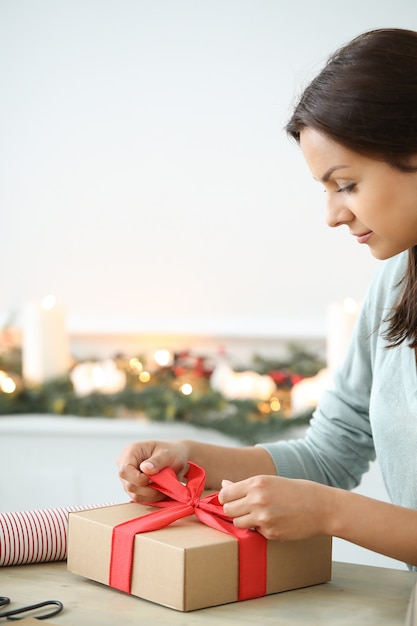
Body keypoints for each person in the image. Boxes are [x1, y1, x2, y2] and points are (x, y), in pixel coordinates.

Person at [117, 28, 417, 570]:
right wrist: (194, 459)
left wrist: (331, 513)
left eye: (346, 184)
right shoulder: (396, 279)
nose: (333, 214)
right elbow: (330, 453)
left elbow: (328, 493)